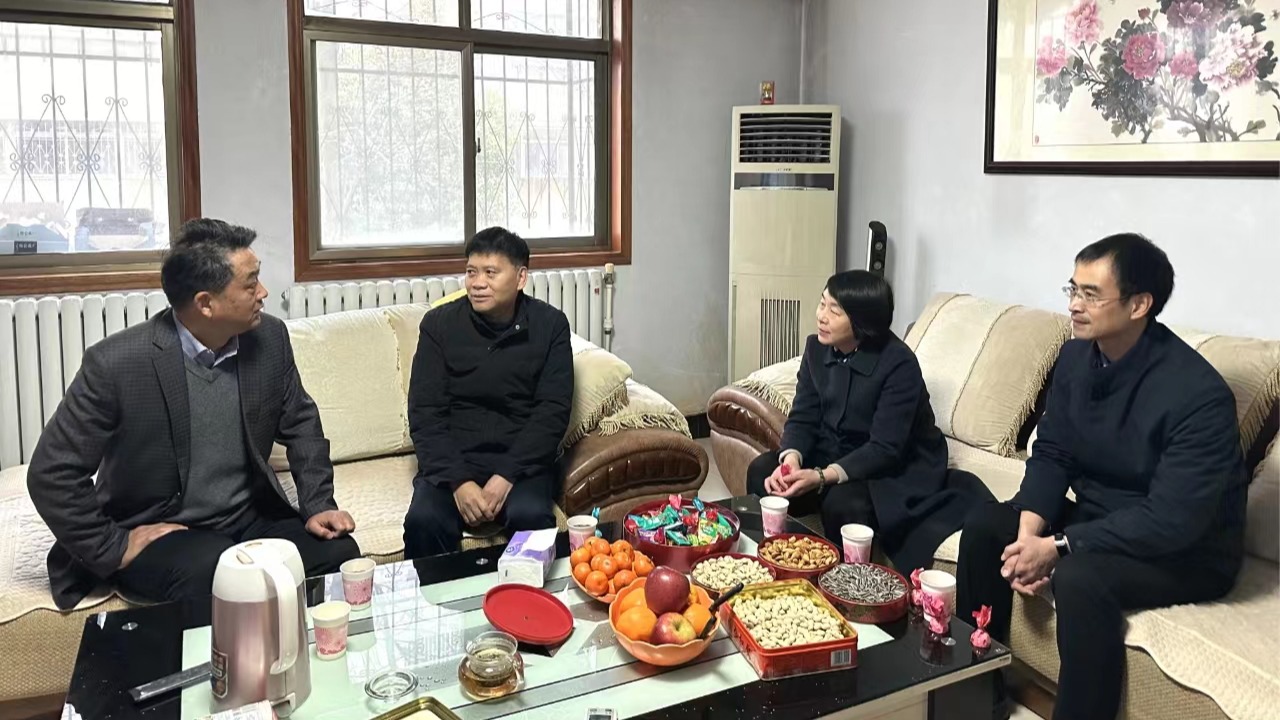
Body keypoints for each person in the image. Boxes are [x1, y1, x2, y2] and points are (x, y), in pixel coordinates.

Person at [955, 234, 1247, 720]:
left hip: (1185, 551)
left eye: (1091, 295)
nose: (1074, 305)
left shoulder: (1197, 394)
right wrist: (1029, 534)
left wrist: (1060, 546)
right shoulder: (1076, 358)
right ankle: (974, 696)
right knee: (988, 526)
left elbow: (1172, 520)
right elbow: (1053, 451)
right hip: (1100, 517)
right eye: (1072, 289)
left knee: (1080, 577)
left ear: (1139, 304)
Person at [28, 218, 360, 608]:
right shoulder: (116, 364)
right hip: (168, 529)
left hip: (252, 518)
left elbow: (302, 423)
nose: (264, 293)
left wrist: (319, 504)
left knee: (337, 552)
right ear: (205, 303)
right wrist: (112, 545)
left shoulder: (269, 338)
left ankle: (308, 647)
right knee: (211, 571)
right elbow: (52, 473)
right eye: (250, 284)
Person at [746, 270, 986, 574]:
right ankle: (775, 565)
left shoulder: (899, 364)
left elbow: (885, 447)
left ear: (862, 321)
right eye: (822, 303)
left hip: (887, 466)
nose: (821, 316)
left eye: (835, 311)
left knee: (844, 504)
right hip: (830, 451)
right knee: (762, 472)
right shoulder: (816, 349)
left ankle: (842, 582)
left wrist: (821, 477)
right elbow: (803, 416)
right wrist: (791, 460)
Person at [403, 227, 573, 557]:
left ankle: (524, 591)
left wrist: (506, 475)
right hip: (454, 460)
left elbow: (551, 413)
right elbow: (425, 414)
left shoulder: (550, 325)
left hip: (521, 462)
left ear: (520, 277)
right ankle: (439, 592)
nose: (477, 283)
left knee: (531, 517)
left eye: (490, 273)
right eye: (471, 272)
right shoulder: (439, 325)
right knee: (424, 521)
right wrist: (459, 482)